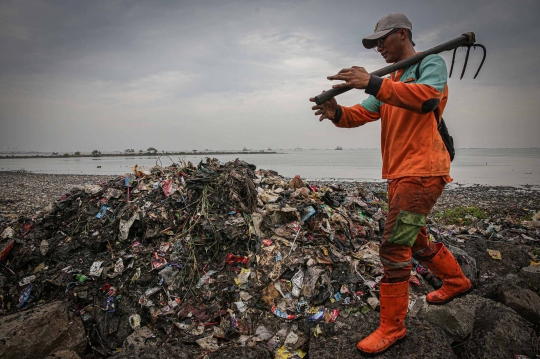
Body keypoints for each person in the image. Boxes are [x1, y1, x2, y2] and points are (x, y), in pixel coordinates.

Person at [310, 13, 471, 355]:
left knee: (395, 247)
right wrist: (336, 111)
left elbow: (426, 97)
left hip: (423, 172)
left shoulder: (430, 64)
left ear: (403, 34)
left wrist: (371, 81)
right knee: (414, 237)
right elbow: (361, 114)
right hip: (400, 174)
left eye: (383, 40)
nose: (379, 47)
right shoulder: (391, 78)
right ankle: (457, 281)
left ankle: (392, 327)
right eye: (374, 43)